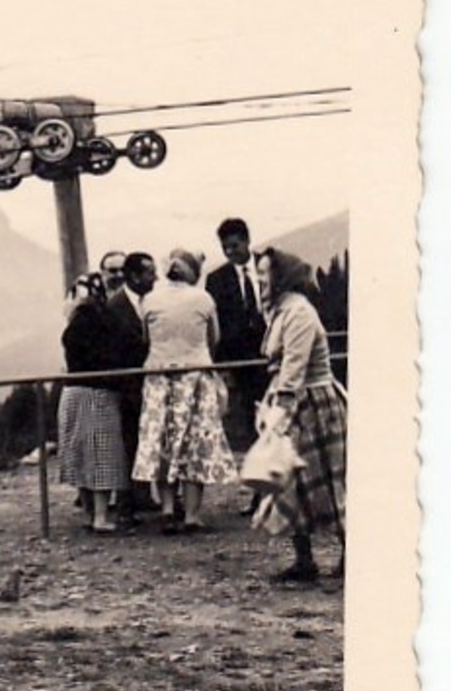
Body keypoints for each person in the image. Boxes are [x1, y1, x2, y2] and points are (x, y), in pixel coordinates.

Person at [253, 247, 346, 583]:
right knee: (289, 479)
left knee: (329, 479)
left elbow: (294, 365)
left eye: (265, 273)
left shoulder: (299, 312)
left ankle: (351, 553)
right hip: (290, 399)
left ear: (283, 277)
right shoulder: (279, 311)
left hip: (312, 403)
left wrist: (280, 408)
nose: (260, 279)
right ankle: (303, 559)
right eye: (259, 273)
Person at [130, 249, 237, 532]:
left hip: (159, 376)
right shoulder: (203, 299)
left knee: (164, 441)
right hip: (196, 375)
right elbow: (215, 338)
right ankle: (191, 514)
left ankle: (166, 507)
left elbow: (145, 337)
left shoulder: (150, 300)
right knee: (195, 444)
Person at [204, 219, 272, 514]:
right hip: (243, 365)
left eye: (235, 245)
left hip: (271, 360)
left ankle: (279, 493)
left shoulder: (269, 267)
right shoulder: (217, 280)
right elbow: (218, 327)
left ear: (247, 241)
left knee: (276, 425)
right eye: (225, 247)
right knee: (252, 428)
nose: (231, 252)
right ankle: (259, 494)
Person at [57, 272, 132, 533]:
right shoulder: (106, 318)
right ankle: (99, 515)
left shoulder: (78, 321)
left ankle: (91, 514)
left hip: (78, 390)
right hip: (99, 391)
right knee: (101, 455)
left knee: (82, 454)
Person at [101, 250, 158, 523]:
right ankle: (126, 503)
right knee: (126, 442)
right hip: (126, 384)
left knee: (145, 439)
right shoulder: (115, 306)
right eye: (150, 273)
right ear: (134, 276)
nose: (155, 277)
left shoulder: (154, 303)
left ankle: (144, 494)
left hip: (148, 383)